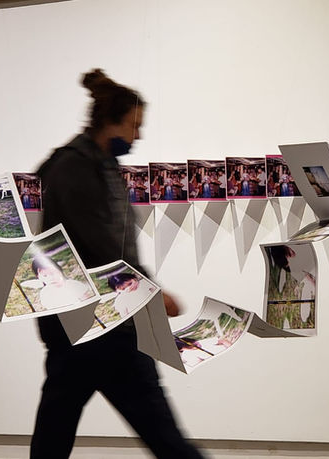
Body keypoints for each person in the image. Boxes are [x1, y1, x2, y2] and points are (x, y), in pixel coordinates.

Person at [31, 69, 204, 459]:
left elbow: (115, 245)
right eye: (134, 125)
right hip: (91, 325)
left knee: (56, 433)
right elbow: (98, 247)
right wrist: (151, 294)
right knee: (162, 436)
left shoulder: (101, 166)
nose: (138, 135)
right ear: (111, 121)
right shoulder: (73, 168)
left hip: (104, 323)